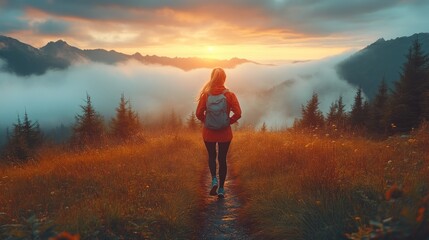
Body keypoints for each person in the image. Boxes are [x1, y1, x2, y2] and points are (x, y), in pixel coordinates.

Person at [196, 68, 241, 198]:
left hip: (209, 133)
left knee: (211, 156)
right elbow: (238, 113)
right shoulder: (229, 95)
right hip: (225, 133)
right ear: (224, 79)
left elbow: (198, 113)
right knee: (222, 159)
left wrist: (207, 121)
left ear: (212, 78)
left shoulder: (206, 95)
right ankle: (221, 188)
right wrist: (228, 121)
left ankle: (214, 180)